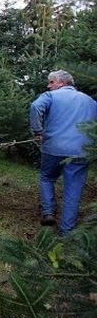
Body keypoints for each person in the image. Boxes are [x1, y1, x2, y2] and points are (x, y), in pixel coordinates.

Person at [30, 70, 97, 235]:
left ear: (62, 83)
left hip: (53, 147)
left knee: (47, 177)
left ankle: (48, 212)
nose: (49, 86)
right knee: (73, 191)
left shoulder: (50, 96)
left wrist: (37, 131)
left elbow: (35, 106)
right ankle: (67, 232)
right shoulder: (91, 102)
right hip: (82, 152)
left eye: (51, 82)